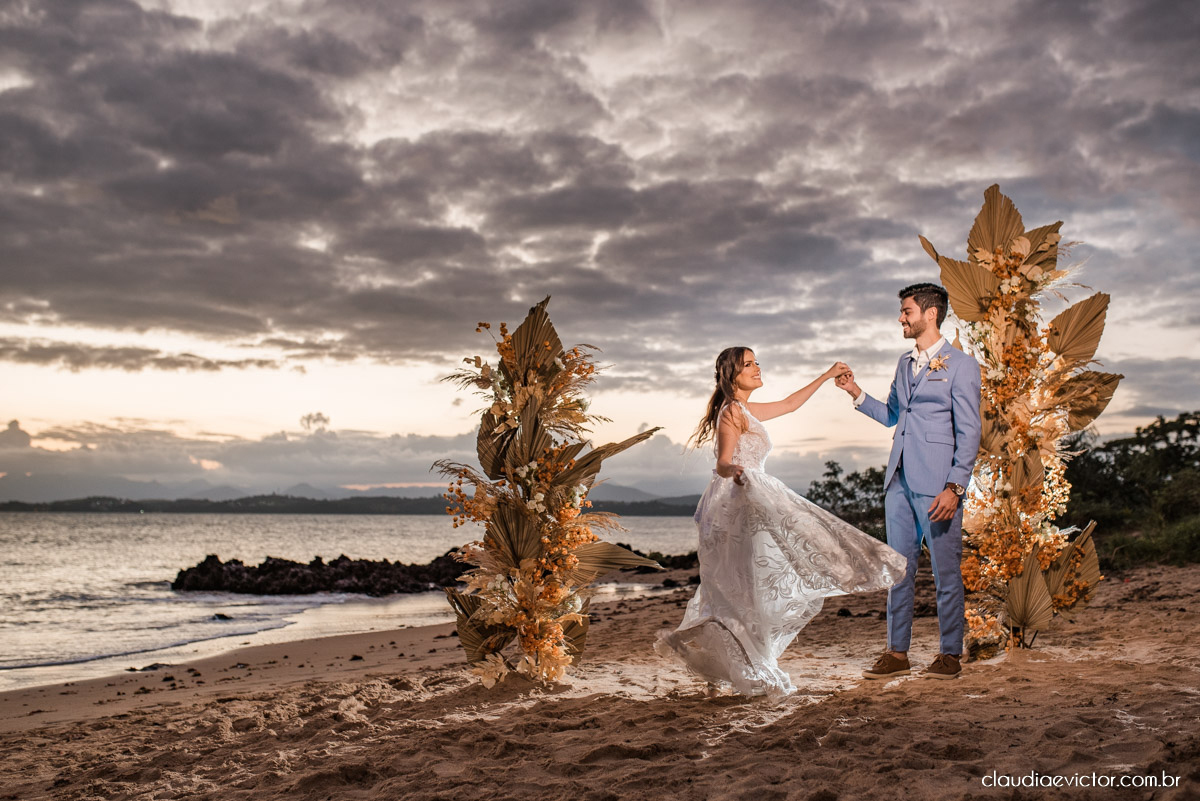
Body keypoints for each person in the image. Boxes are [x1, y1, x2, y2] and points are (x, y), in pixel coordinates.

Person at [655, 349, 907, 698]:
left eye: (757, 362)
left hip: (752, 501)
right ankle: (741, 664)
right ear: (732, 376)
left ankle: (747, 661)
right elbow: (723, 462)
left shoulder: (745, 409)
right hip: (736, 503)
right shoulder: (731, 411)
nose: (758, 368)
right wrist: (737, 473)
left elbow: (789, 404)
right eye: (749, 364)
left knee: (754, 585)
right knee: (739, 589)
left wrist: (825, 375)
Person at [835, 283, 981, 680]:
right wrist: (855, 391)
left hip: (938, 485)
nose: (901, 318)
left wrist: (955, 488)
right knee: (897, 569)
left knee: (946, 572)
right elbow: (891, 416)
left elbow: (970, 433)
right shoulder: (904, 364)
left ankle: (949, 653)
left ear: (930, 314)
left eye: (907, 311)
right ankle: (897, 654)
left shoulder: (962, 366)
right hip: (898, 480)